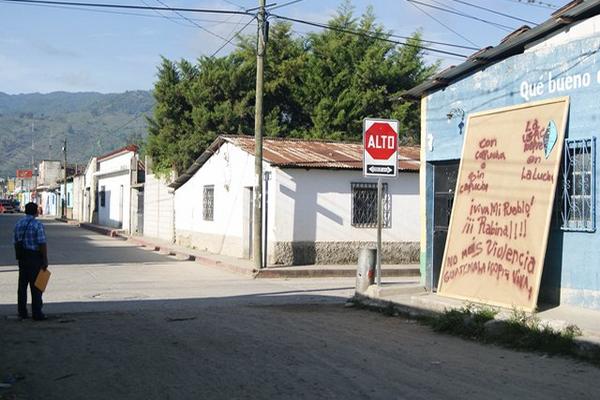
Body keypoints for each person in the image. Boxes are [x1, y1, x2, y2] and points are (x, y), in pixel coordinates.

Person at [13, 202, 49, 321]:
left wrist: (19, 256)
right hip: (34, 258)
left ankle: (22, 312)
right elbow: (42, 243)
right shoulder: (37, 224)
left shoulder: (18, 224)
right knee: (37, 286)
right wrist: (44, 259)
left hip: (23, 258)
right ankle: (37, 312)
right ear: (35, 212)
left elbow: (15, 242)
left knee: (22, 286)